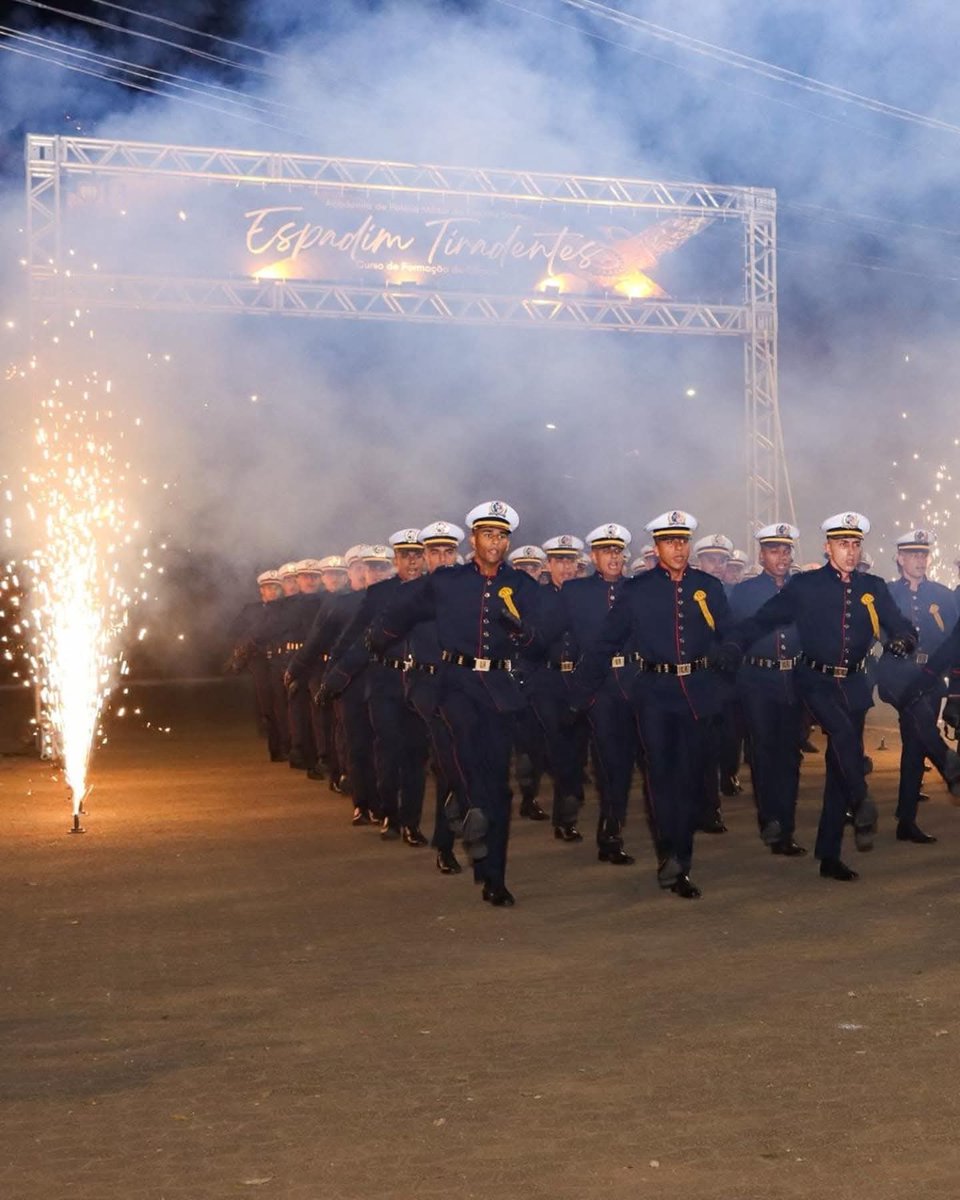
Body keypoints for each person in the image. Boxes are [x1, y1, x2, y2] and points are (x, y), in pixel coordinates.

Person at [722, 512, 916, 882]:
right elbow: (764, 619)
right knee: (843, 740)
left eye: (856, 544)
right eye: (843, 544)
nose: (851, 551)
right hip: (814, 681)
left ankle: (830, 853)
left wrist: (904, 640)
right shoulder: (806, 586)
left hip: (854, 685)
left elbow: (899, 625)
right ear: (827, 547)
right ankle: (861, 800)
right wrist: (734, 643)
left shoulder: (872, 586)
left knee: (839, 766)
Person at [370, 500, 541, 907]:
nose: (495, 543)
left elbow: (543, 635)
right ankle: (468, 806)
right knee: (462, 743)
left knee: (498, 787)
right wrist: (376, 638)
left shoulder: (522, 586)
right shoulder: (448, 581)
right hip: (454, 684)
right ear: (474, 538)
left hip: (499, 688)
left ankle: (493, 875)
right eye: (488, 535)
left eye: (502, 536)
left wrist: (524, 633)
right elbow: (402, 610)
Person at [575, 511, 730, 898]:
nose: (678, 548)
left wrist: (729, 653)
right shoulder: (638, 589)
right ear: (657, 546)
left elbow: (730, 634)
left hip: (697, 692)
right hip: (654, 695)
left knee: (691, 779)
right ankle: (673, 859)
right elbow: (607, 641)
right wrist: (579, 692)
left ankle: (680, 847)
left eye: (683, 541)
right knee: (661, 777)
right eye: (670, 542)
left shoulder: (708, 586)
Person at [324, 533, 429, 844]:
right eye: (405, 555)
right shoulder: (379, 594)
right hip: (385, 682)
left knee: (415, 755)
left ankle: (411, 822)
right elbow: (354, 637)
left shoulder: (435, 592)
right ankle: (390, 814)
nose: (411, 560)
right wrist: (335, 673)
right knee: (388, 749)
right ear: (395, 560)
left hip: (422, 682)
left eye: (416, 555)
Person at [558, 523, 638, 865]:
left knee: (629, 763)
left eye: (618, 551)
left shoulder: (638, 589)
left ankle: (617, 822)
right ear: (593, 556)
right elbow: (561, 635)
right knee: (609, 761)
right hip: (597, 688)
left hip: (635, 684)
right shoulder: (576, 592)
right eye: (606, 551)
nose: (613, 557)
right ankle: (609, 832)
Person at [876, 529, 960, 840]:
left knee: (914, 744)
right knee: (922, 725)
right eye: (913, 554)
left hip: (931, 676)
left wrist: (954, 691)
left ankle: (906, 820)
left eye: (923, 554)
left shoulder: (942, 594)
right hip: (897, 675)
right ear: (899, 558)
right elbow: (876, 630)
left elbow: (954, 641)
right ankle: (947, 762)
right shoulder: (886, 593)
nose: (920, 560)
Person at [727, 524, 805, 856]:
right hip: (757, 681)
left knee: (790, 756)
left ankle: (785, 825)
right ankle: (770, 820)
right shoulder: (745, 593)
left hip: (794, 681)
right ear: (762, 555)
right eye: (775, 550)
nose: (782, 557)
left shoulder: (802, 589)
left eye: (786, 550)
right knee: (764, 753)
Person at [404, 520, 469, 874]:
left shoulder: (474, 591)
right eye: (435, 552)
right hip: (429, 688)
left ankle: (459, 824)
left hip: (468, 688)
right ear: (425, 556)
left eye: (448, 551)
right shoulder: (411, 595)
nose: (442, 559)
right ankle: (445, 846)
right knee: (449, 763)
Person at [526, 534, 587, 841]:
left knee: (576, 748)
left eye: (571, 561)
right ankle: (565, 814)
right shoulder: (537, 598)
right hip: (547, 680)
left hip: (577, 678)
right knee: (558, 745)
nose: (566, 567)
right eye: (560, 560)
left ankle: (568, 807)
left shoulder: (585, 596)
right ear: (548, 564)